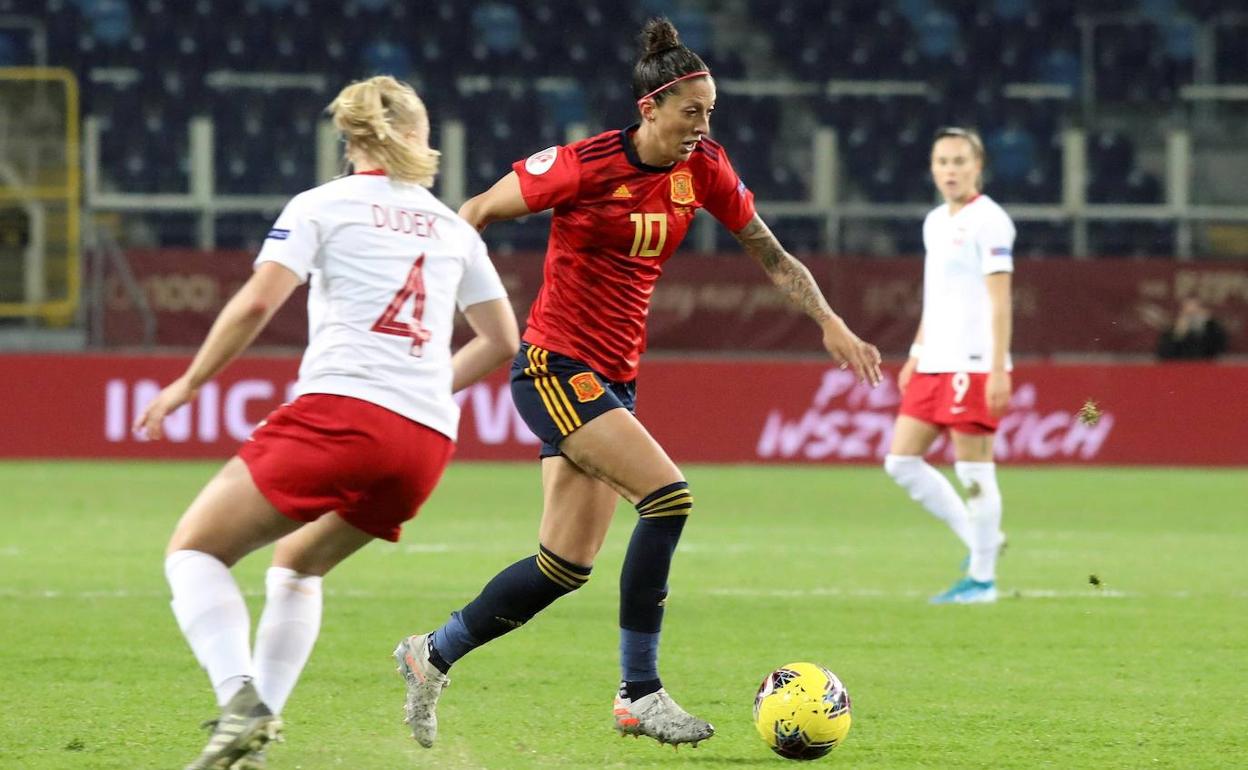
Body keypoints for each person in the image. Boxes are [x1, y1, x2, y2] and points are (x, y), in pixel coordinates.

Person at [392, 17, 882, 751]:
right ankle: (639, 693)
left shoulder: (704, 168)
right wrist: (452, 312)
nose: (703, 126)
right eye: (692, 112)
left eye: (710, 113)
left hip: (615, 380)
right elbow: (475, 215)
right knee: (669, 496)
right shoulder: (580, 166)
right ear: (649, 107)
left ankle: (429, 654)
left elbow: (770, 252)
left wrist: (828, 320)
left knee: (563, 568)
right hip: (554, 366)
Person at [134, 75, 519, 770]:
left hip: (341, 415)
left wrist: (189, 384)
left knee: (194, 552)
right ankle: (252, 738)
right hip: (425, 442)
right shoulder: (453, 228)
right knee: (297, 566)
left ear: (350, 141)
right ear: (414, 136)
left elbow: (256, 304)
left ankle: (239, 702)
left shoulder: (322, 206)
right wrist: (428, 386)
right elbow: (501, 340)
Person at [884, 126, 1014, 605]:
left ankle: (982, 580)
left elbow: (1000, 301)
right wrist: (917, 353)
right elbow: (937, 297)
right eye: (942, 162)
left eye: (960, 161)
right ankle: (982, 543)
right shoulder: (936, 221)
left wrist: (998, 368)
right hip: (936, 359)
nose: (950, 170)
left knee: (975, 471)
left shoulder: (991, 222)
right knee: (901, 462)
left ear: (977, 166)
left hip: (974, 362)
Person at [1157, 297, 1227, 359]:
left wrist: (1209, 324)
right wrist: (1178, 334)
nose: (1192, 317)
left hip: (1207, 368)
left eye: (1196, 312)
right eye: (1188, 314)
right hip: (1181, 368)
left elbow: (1219, 350)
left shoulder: (1213, 328)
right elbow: (1163, 355)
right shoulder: (1172, 331)